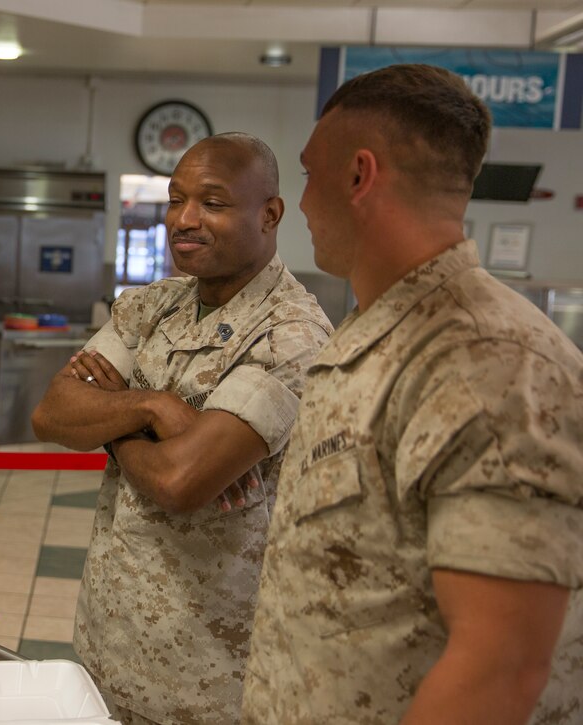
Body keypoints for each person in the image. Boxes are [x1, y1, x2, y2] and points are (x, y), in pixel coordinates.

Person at [243, 64, 583, 725]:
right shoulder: (379, 332)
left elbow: (501, 663)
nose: (303, 204)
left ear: (359, 176)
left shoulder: (490, 365)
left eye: (310, 176)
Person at [31, 133, 332, 724]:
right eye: (176, 199)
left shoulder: (290, 335)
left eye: (213, 203)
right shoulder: (152, 306)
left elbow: (179, 479)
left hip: (211, 669)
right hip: (110, 635)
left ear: (269, 214)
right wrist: (154, 410)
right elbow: (54, 414)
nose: (184, 220)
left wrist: (115, 418)